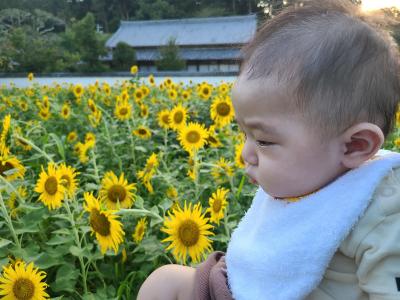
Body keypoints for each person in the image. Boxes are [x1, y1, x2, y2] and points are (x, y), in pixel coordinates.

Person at [138, 0, 400, 299]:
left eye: (263, 141)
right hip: (239, 286)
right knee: (165, 281)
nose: (245, 154)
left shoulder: (383, 213)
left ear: (355, 146)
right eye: (244, 134)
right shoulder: (306, 176)